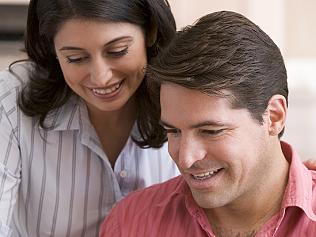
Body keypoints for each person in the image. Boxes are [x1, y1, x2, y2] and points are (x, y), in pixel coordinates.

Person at [100, 11, 316, 237]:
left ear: (274, 117)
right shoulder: (130, 225)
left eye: (210, 131)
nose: (185, 159)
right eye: (173, 131)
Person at [0, 0, 180, 236]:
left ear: (150, 32)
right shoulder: (11, 100)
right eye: (76, 58)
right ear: (52, 49)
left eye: (117, 51)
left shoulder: (183, 94)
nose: (101, 77)